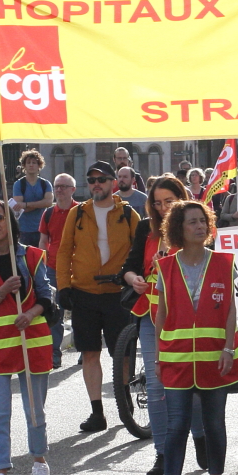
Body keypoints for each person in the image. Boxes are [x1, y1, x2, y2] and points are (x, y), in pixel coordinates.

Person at [148, 200, 238, 475]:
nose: (200, 226)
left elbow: (230, 309)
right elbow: (160, 315)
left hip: (214, 358)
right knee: (176, 424)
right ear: (179, 229)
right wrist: (158, 357)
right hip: (177, 359)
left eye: (203, 220)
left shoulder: (224, 262)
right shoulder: (165, 267)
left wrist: (228, 348)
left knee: (214, 423)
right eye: (192, 222)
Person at [122, 176, 207, 475]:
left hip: (186, 315)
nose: (162, 208)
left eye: (169, 202)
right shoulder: (146, 228)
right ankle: (163, 453)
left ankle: (199, 435)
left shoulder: (193, 226)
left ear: (181, 198)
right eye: (156, 203)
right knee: (156, 385)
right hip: (151, 312)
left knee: (189, 384)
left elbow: (206, 266)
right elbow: (128, 267)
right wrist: (134, 279)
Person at [0, 198, 55, 475]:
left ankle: (39, 463)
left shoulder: (32, 256)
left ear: (10, 221)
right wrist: (3, 291)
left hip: (30, 342)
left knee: (34, 409)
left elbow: (46, 297)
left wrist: (30, 313)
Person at [56, 160, 140, 432]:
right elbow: (64, 251)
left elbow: (139, 252)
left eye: (101, 179)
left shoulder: (127, 214)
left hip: (117, 294)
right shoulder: (78, 213)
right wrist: (63, 287)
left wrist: (134, 280)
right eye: (91, 180)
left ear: (112, 183)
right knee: (90, 353)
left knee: (122, 354)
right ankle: (97, 412)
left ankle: (125, 402)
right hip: (84, 293)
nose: (96, 184)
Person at [38, 173, 76, 368]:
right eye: (57, 186)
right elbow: (43, 240)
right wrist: (43, 262)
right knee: (55, 312)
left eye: (63, 186)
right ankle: (54, 353)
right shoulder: (48, 213)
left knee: (80, 311)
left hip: (78, 268)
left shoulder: (80, 212)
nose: (59, 189)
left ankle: (84, 349)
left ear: (73, 190)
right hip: (53, 268)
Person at [11, 149, 52, 246]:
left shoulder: (45, 184)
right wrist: (40, 204)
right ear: (24, 166)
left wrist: (26, 204)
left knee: (42, 255)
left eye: (34, 163)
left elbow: (49, 202)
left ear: (39, 165)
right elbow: (19, 209)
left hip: (43, 229)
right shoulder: (18, 184)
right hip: (24, 230)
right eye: (28, 163)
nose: (31, 165)